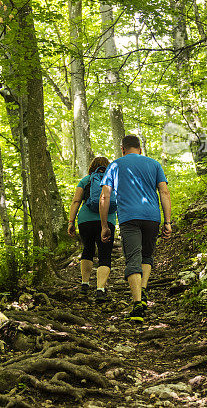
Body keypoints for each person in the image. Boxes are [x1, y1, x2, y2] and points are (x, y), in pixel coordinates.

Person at [98, 135, 172, 323]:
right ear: (140, 149)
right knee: (147, 255)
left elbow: (104, 197)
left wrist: (105, 225)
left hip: (129, 218)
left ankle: (138, 304)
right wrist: (168, 221)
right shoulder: (154, 164)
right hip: (152, 217)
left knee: (133, 258)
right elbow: (164, 192)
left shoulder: (114, 165)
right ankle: (144, 288)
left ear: (122, 149)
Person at [67, 156, 117, 302]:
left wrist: (71, 222)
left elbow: (76, 201)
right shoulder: (112, 180)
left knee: (87, 249)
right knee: (105, 253)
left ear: (91, 167)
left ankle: (85, 284)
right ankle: (100, 289)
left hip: (85, 220)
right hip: (107, 220)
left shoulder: (86, 180)